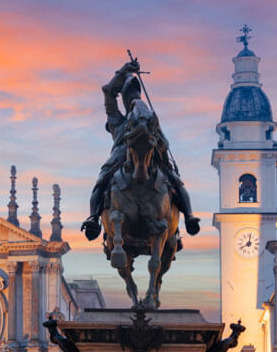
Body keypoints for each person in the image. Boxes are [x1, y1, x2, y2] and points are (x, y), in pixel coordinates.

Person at [82, 60, 201, 240]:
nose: (133, 97)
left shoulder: (149, 117)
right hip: (119, 157)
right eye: (129, 94)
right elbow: (107, 90)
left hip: (151, 154)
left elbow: (164, 142)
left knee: (176, 182)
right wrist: (123, 71)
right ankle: (93, 217)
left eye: (135, 93)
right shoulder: (116, 120)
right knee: (101, 182)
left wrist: (156, 141)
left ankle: (188, 216)